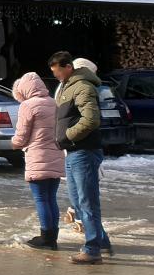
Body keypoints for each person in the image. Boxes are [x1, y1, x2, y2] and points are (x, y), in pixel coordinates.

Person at [50, 51, 109, 264]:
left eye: (57, 72)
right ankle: (102, 242)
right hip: (73, 152)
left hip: (84, 151)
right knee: (77, 201)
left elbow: (91, 119)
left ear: (68, 67)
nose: (56, 76)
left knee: (87, 202)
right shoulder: (67, 87)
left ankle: (93, 249)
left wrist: (68, 135)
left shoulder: (83, 86)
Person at [11, 71, 64, 250]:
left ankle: (45, 237)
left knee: (41, 198)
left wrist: (14, 143)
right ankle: (53, 236)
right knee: (51, 198)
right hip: (55, 155)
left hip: (37, 156)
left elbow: (22, 135)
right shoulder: (54, 103)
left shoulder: (27, 105)